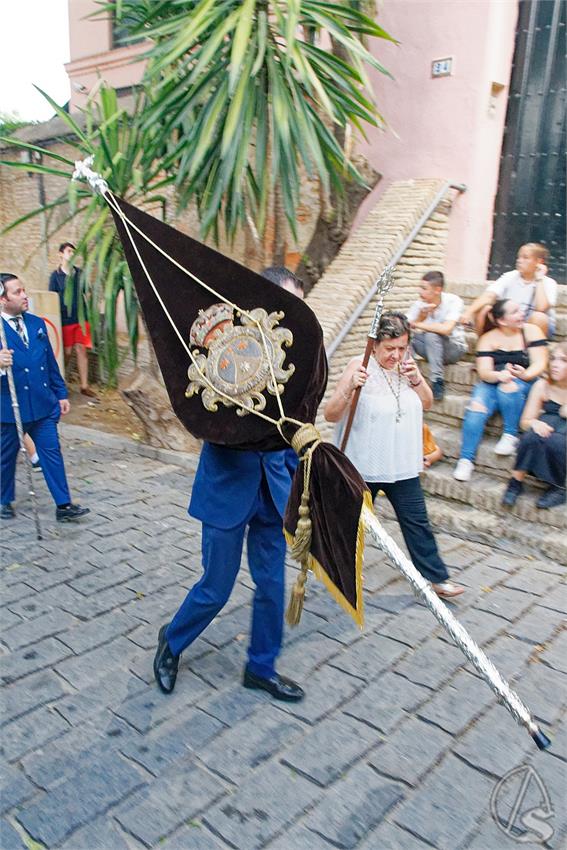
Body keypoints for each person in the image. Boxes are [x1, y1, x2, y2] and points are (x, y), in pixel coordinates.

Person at [153, 268, 304, 701]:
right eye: (285, 301)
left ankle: (261, 667)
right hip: (227, 486)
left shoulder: (296, 354)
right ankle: (173, 642)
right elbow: (200, 417)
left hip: (273, 489)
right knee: (216, 587)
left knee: (272, 587)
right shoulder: (223, 348)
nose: (292, 311)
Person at [324, 311, 464, 599]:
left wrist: (416, 380)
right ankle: (339, 568)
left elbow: (426, 403)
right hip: (363, 464)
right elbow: (331, 414)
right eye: (390, 349)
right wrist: (350, 388)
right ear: (374, 345)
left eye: (402, 348)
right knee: (353, 521)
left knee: (417, 521)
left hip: (400, 464)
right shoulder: (358, 366)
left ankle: (435, 578)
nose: (396, 355)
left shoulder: (408, 367)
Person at [0, 273, 89, 522]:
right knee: (5, 458)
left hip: (42, 404)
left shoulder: (37, 323)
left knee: (52, 453)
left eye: (24, 290)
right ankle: (4, 499)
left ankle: (64, 504)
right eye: (17, 292)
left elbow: (50, 362)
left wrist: (60, 393)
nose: (25, 295)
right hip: (9, 408)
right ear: (2, 299)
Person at [453, 299, 548, 482]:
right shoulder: (488, 338)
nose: (521, 314)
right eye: (514, 312)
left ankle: (510, 434)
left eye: (520, 310)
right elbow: (484, 372)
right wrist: (498, 375)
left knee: (508, 387)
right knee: (475, 408)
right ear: (502, 320)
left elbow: (540, 363)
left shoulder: (531, 331)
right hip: (494, 381)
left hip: (523, 380)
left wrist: (525, 374)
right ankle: (466, 460)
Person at [501, 342, 567, 510]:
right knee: (530, 436)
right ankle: (516, 482)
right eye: (553, 359)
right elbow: (525, 422)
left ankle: (559, 488)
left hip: (562, 438)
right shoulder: (542, 385)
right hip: (548, 431)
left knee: (557, 442)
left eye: (563, 360)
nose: (555, 364)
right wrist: (535, 423)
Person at [460, 243, 557, 338]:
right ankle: (485, 347)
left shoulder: (548, 283)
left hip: (532, 323)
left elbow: (541, 308)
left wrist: (538, 279)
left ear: (539, 262)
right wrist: (468, 312)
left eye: (525, 258)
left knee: (539, 317)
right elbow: (489, 296)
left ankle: (528, 351)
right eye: (519, 257)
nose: (519, 261)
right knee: (485, 309)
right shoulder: (510, 276)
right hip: (509, 319)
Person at [407, 271, 467, 401]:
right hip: (430, 349)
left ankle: (437, 380)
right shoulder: (420, 304)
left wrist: (417, 324)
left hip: (453, 349)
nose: (420, 292)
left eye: (424, 288)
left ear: (437, 290)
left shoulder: (453, 301)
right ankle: (409, 377)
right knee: (406, 337)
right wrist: (420, 317)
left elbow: (446, 329)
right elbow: (405, 326)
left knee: (431, 335)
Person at [49, 242, 97, 398]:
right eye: (69, 251)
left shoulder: (79, 273)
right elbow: (52, 297)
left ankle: (84, 386)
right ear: (61, 254)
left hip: (81, 318)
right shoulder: (55, 276)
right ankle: (59, 383)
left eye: (73, 252)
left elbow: (86, 292)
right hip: (65, 319)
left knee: (82, 350)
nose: (72, 254)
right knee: (67, 353)